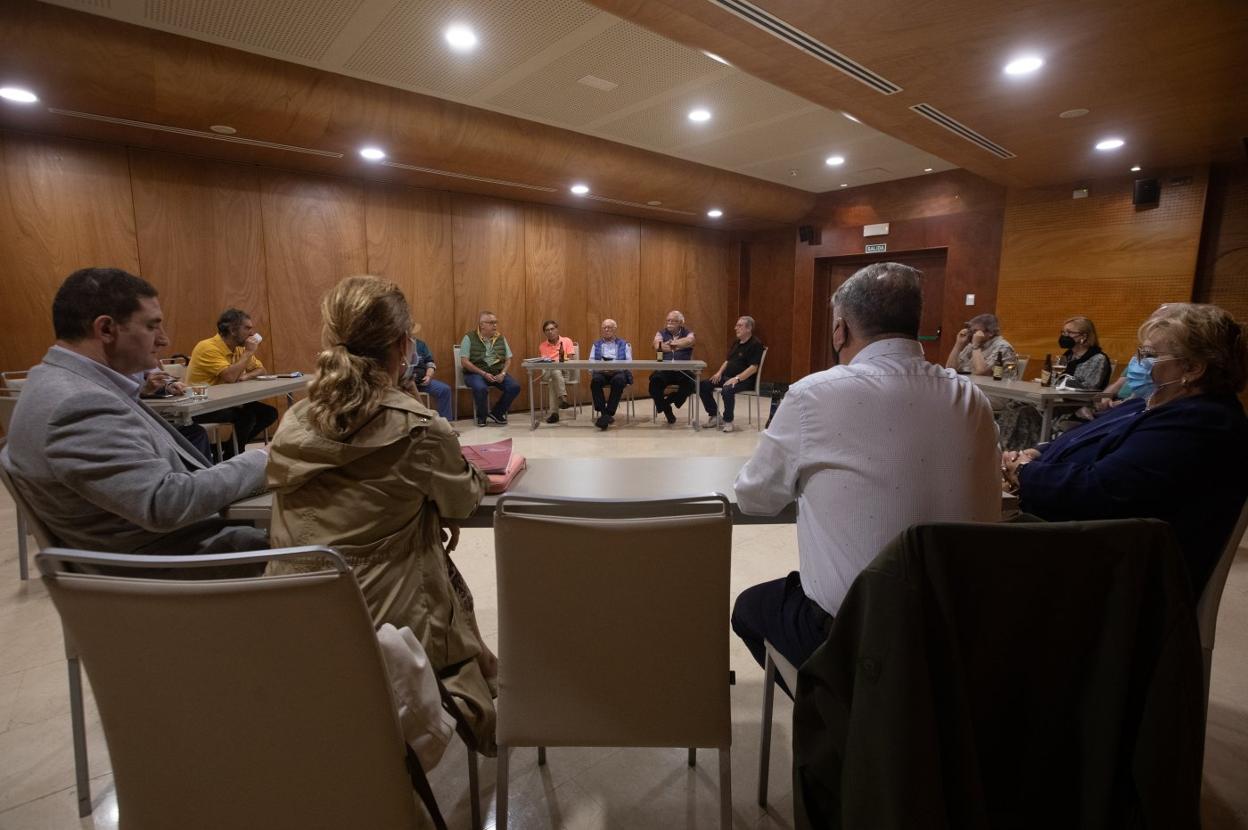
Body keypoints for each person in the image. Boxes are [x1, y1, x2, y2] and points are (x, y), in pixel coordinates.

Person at [732, 262, 1000, 674]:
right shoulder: (972, 400)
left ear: (840, 329)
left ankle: (833, 702)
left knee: (750, 608)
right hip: (961, 636)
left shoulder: (812, 395)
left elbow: (754, 499)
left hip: (858, 640)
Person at [265, 275, 497, 752]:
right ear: (404, 345)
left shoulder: (293, 422)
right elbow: (462, 498)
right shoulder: (419, 430)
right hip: (395, 643)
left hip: (295, 635)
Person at [0, 267, 268, 556]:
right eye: (152, 326)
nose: (164, 340)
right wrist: (266, 457)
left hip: (166, 549)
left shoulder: (62, 382)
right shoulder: (77, 403)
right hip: (171, 568)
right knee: (304, 545)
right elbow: (165, 503)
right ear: (105, 329)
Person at [1004, 303, 1248, 595]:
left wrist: (1024, 472)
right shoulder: (1147, 403)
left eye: (1148, 355)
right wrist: (1038, 453)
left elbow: (1101, 489)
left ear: (1193, 368)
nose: (1136, 361)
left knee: (966, 551)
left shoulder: (1203, 422)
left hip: (1115, 572)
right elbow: (1074, 438)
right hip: (1076, 535)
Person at [998, 315, 1113, 448]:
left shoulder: (1097, 358)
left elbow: (1089, 388)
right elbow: (1055, 380)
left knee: (1024, 411)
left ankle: (1027, 450)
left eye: (1069, 332)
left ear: (1084, 336)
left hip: (1076, 406)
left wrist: (1061, 384)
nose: (1064, 336)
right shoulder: (1068, 355)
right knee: (1013, 405)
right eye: (1063, 332)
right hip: (1056, 400)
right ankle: (1004, 448)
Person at [186, 307, 279, 455]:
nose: (252, 333)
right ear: (233, 330)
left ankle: (228, 449)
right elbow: (230, 377)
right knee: (246, 417)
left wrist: (245, 376)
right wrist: (248, 352)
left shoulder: (238, 348)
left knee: (269, 413)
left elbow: (261, 370)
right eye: (247, 328)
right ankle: (233, 453)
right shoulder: (207, 347)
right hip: (201, 403)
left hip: (226, 401)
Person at [699, 316, 764, 433]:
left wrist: (737, 378)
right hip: (727, 377)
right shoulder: (736, 342)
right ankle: (715, 415)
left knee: (727, 389)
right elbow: (727, 361)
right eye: (736, 325)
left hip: (745, 380)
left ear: (749, 328)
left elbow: (753, 368)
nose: (736, 328)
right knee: (703, 385)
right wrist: (719, 373)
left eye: (739, 326)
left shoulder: (755, 344)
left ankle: (728, 421)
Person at [459, 310, 520, 427]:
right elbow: (464, 362)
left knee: (514, 387)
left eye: (496, 322)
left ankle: (497, 413)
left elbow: (508, 359)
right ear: (482, 325)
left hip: (496, 372)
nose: (495, 325)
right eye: (491, 323)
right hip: (475, 373)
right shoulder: (469, 338)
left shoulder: (501, 338)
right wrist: (483, 373)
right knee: (481, 388)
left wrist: (503, 373)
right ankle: (482, 417)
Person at [649, 310, 697, 424]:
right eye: (668, 320)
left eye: (673, 321)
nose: (669, 323)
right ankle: (667, 409)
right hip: (665, 369)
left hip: (683, 370)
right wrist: (677, 345)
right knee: (654, 383)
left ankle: (669, 400)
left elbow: (689, 340)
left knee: (691, 383)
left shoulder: (688, 332)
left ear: (681, 322)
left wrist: (672, 343)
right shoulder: (661, 333)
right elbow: (657, 345)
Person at [588, 319, 633, 431]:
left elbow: (629, 363)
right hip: (601, 372)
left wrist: (616, 368)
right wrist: (600, 369)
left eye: (609, 327)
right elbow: (591, 363)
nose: (607, 330)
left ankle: (608, 413)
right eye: (604, 328)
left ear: (615, 329)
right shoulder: (596, 344)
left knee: (619, 381)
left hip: (618, 372)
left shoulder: (624, 344)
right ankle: (605, 414)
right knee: (595, 382)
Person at [945, 312, 1015, 376]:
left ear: (991, 332)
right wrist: (958, 345)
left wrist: (976, 346)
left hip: (995, 385)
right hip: (972, 383)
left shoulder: (1003, 347)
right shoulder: (972, 345)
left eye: (975, 331)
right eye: (971, 331)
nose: (971, 334)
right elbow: (950, 369)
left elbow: (981, 373)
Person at [399, 336, 452, 420]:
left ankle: (446, 423)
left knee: (444, 390)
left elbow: (430, 362)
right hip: (403, 383)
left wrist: (428, 376)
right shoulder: (396, 345)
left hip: (422, 381)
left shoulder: (421, 344)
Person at [537, 319, 576, 424]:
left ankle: (554, 414)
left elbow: (570, 359)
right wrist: (555, 364)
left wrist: (557, 363)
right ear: (545, 333)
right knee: (554, 371)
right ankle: (563, 397)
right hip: (548, 372)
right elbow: (546, 363)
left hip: (565, 372)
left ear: (557, 330)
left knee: (553, 379)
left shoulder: (567, 341)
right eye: (547, 330)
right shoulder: (542, 346)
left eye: (552, 329)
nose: (550, 332)